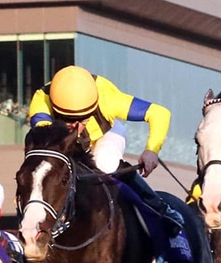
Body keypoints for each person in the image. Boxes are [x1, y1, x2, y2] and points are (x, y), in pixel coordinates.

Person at [28, 65, 184, 235]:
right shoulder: (41, 101)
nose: (77, 127)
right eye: (68, 119)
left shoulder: (108, 99)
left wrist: (152, 150)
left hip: (106, 133)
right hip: (63, 141)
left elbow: (160, 113)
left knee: (105, 163)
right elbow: (46, 145)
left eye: (83, 119)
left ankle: (160, 208)